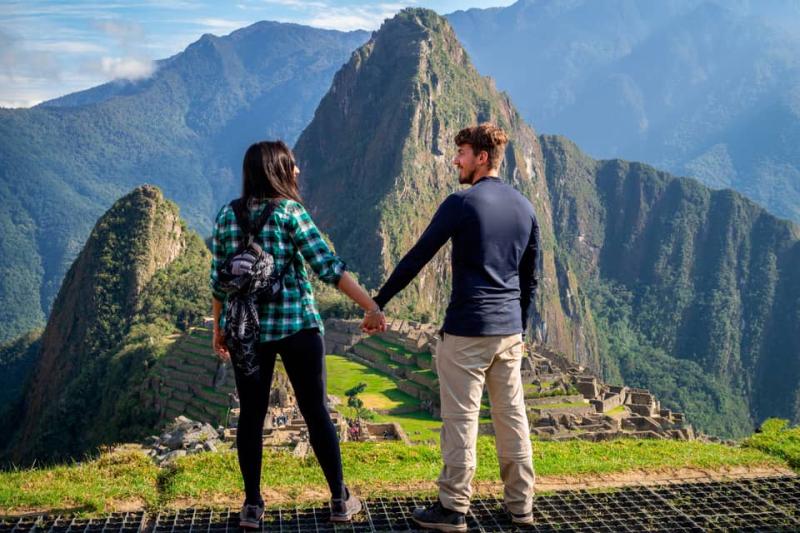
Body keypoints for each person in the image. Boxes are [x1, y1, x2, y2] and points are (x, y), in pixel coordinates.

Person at [363, 123, 539, 530]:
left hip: (467, 331)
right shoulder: (524, 207)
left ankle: (453, 507)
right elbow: (529, 279)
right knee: (512, 418)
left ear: (481, 157)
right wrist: (519, 326)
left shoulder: (462, 203)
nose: (455, 160)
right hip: (509, 332)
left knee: (461, 420)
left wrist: (378, 303)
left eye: (461, 153)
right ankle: (521, 506)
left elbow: (417, 257)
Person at [210, 140, 386, 528]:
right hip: (297, 328)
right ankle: (340, 499)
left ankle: (252, 506)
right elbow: (328, 266)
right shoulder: (291, 213)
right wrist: (370, 306)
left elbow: (219, 281)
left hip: (247, 331)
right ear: (277, 169)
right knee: (316, 412)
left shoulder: (227, 216)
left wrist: (219, 329)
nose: (298, 171)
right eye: (292, 165)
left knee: (251, 418)